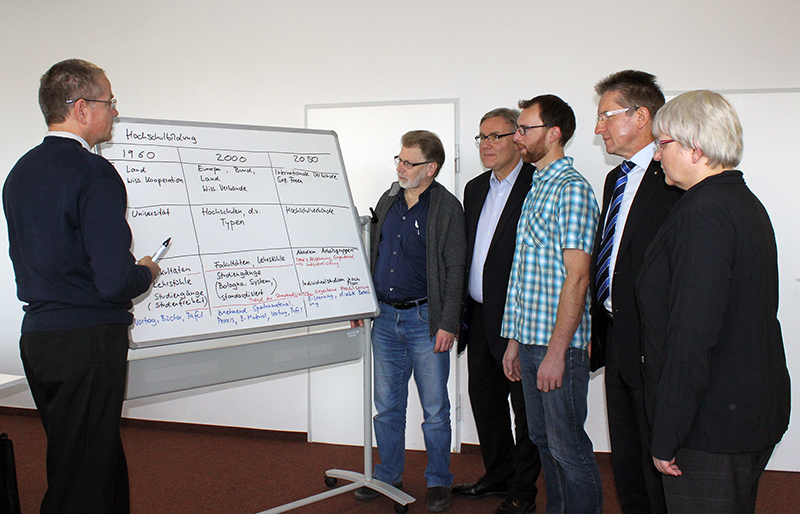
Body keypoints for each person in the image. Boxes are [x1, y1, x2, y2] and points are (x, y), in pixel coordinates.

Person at [3, 59, 160, 513]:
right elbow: (114, 281)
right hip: (87, 341)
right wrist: (146, 271)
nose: (114, 112)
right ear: (81, 109)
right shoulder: (94, 173)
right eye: (109, 102)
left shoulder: (20, 172)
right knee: (81, 479)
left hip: (39, 339)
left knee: (90, 455)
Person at [637, 90, 791, 514]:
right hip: (745, 408)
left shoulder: (704, 212)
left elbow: (692, 334)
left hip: (712, 423)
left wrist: (667, 431)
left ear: (695, 148)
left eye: (662, 143)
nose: (655, 156)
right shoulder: (740, 201)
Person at [354, 130, 466, 512]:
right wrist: (362, 303)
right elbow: (372, 251)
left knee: (434, 408)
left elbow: (456, 269)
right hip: (384, 318)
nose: (400, 168)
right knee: (387, 404)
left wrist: (448, 322)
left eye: (409, 162)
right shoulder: (388, 200)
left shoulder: (447, 208)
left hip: (425, 319)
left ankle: (438, 480)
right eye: (399, 160)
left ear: (431, 168)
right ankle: (388, 474)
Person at [501, 95, 602, 514]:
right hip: (530, 343)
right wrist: (513, 341)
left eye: (525, 129)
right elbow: (522, 274)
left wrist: (557, 352)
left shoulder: (572, 190)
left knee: (568, 447)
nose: (517, 137)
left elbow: (577, 278)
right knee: (544, 443)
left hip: (558, 348)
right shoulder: (536, 186)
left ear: (554, 133)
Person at [589, 70, 682, 514]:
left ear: (641, 116)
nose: (598, 127)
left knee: (654, 454)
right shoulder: (616, 179)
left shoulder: (673, 178)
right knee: (625, 454)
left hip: (654, 339)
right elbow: (613, 257)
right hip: (617, 333)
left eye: (606, 115)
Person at [454, 108, 541, 514]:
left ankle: (523, 491)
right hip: (479, 315)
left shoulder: (536, 185)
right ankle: (498, 475)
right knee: (485, 402)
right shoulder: (474, 189)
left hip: (519, 319)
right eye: (481, 137)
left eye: (496, 136)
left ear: (517, 139)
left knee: (524, 411)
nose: (486, 144)